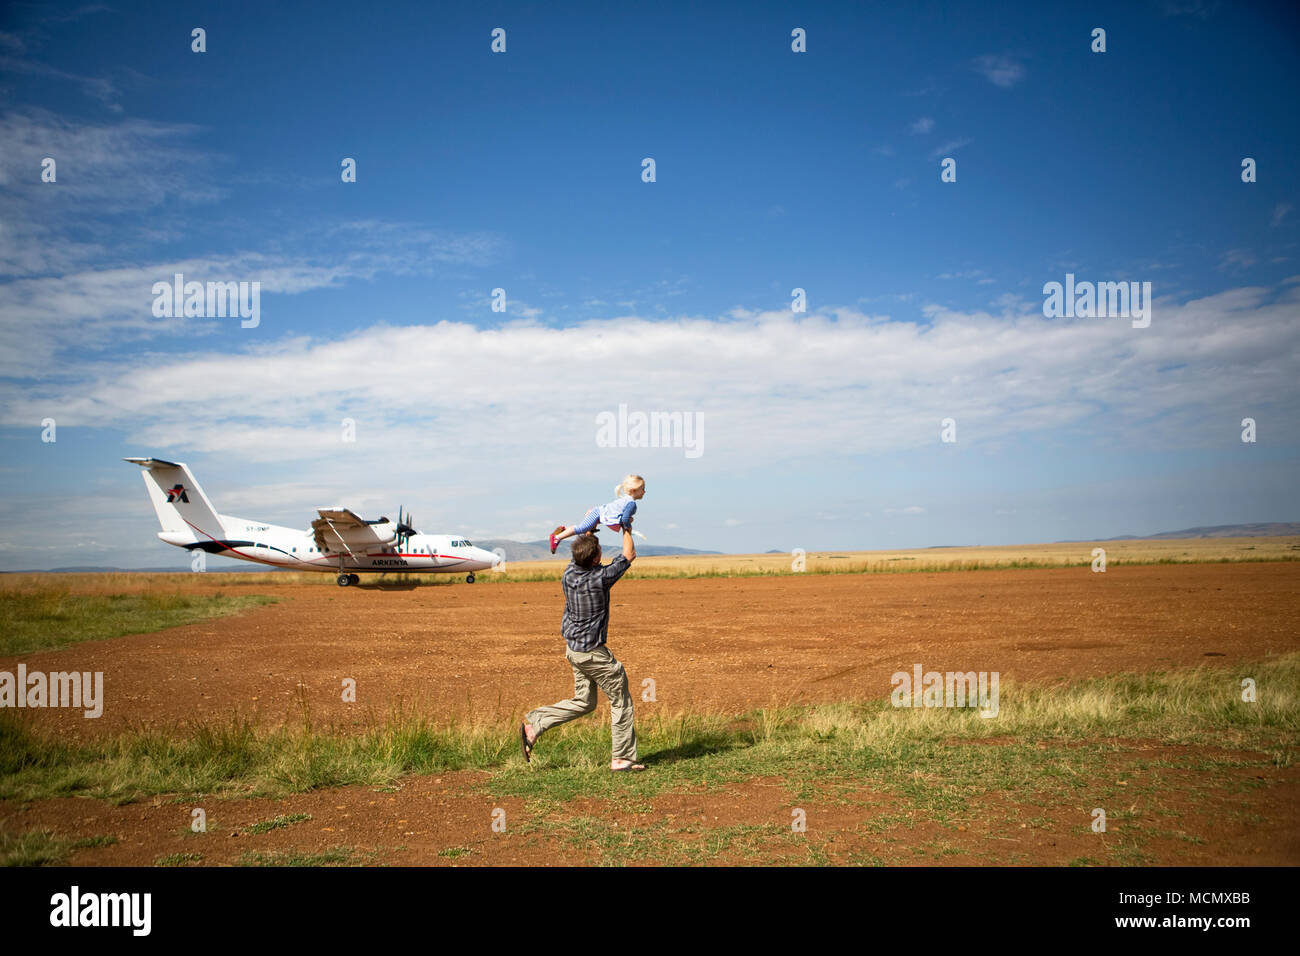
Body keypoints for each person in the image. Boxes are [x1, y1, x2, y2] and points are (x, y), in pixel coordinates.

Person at [521, 524, 645, 771]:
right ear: (597, 557)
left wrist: (587, 532)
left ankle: (534, 725)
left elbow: (583, 555)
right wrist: (627, 528)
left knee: (584, 701)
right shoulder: (601, 579)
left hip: (574, 650)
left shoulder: (568, 574)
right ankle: (622, 758)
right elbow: (628, 555)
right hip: (593, 654)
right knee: (620, 700)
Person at [550, 474, 644, 554]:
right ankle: (556, 538)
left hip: (598, 513)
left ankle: (564, 530)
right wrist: (628, 527)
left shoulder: (624, 500)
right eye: (642, 489)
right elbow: (625, 518)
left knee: (583, 528)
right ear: (634, 490)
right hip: (598, 514)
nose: (644, 491)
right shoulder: (631, 503)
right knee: (582, 528)